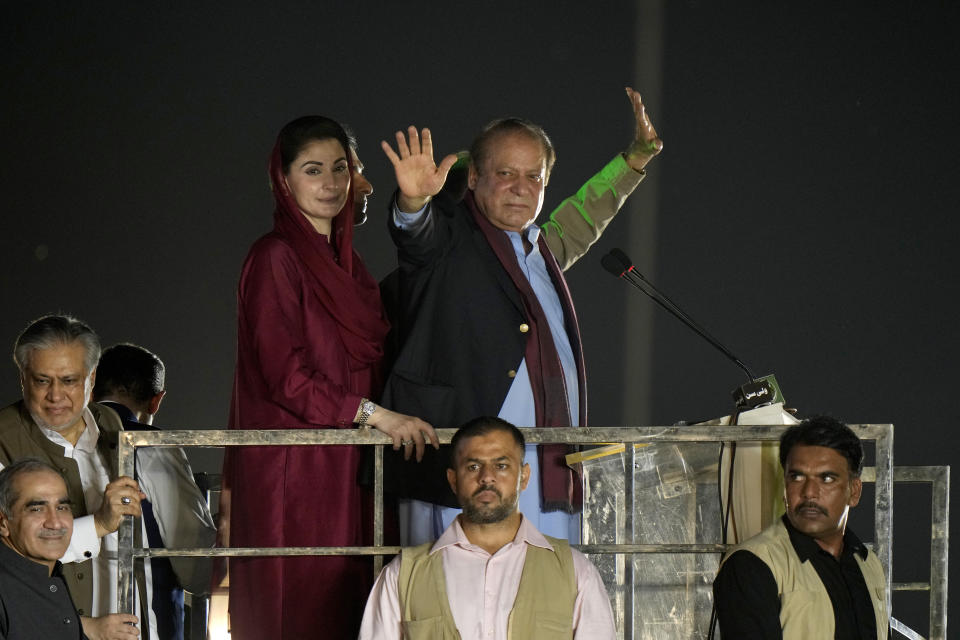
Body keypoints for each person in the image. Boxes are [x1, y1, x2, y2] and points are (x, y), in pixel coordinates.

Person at [379, 87, 663, 544]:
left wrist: (632, 161)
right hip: (463, 475)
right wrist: (413, 203)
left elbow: (584, 214)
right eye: (505, 173)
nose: (520, 187)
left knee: (540, 602)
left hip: (542, 470)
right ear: (473, 178)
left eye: (534, 177)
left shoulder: (537, 251)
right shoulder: (451, 242)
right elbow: (417, 237)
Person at [222, 115, 439, 640]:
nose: (331, 184)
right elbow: (284, 376)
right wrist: (375, 415)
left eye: (340, 168)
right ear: (284, 179)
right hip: (297, 469)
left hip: (353, 464)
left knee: (357, 603)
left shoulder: (350, 266)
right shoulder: (275, 257)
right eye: (313, 170)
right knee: (299, 603)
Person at [358, 416, 616, 639]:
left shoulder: (575, 572)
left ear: (523, 477)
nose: (487, 477)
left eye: (501, 465)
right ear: (453, 480)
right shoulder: (403, 575)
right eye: (473, 466)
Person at [0, 315, 146, 640]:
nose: (56, 395)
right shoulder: (2, 436)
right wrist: (99, 523)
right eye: (42, 381)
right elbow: (10, 555)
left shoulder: (109, 422)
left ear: (91, 380)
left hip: (122, 618)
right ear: (23, 379)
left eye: (68, 380)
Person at [712, 416, 889, 639]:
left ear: (854, 491)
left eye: (826, 478)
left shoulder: (868, 563)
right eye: (796, 477)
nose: (808, 492)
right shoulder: (751, 564)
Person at [93, 343, 217, 640]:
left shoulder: (55, 438)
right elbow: (193, 565)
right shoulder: (154, 446)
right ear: (156, 401)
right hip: (143, 622)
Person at [0, 458, 87, 640]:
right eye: (37, 509)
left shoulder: (50, 575)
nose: (55, 523)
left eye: (62, 507)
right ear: (3, 523)